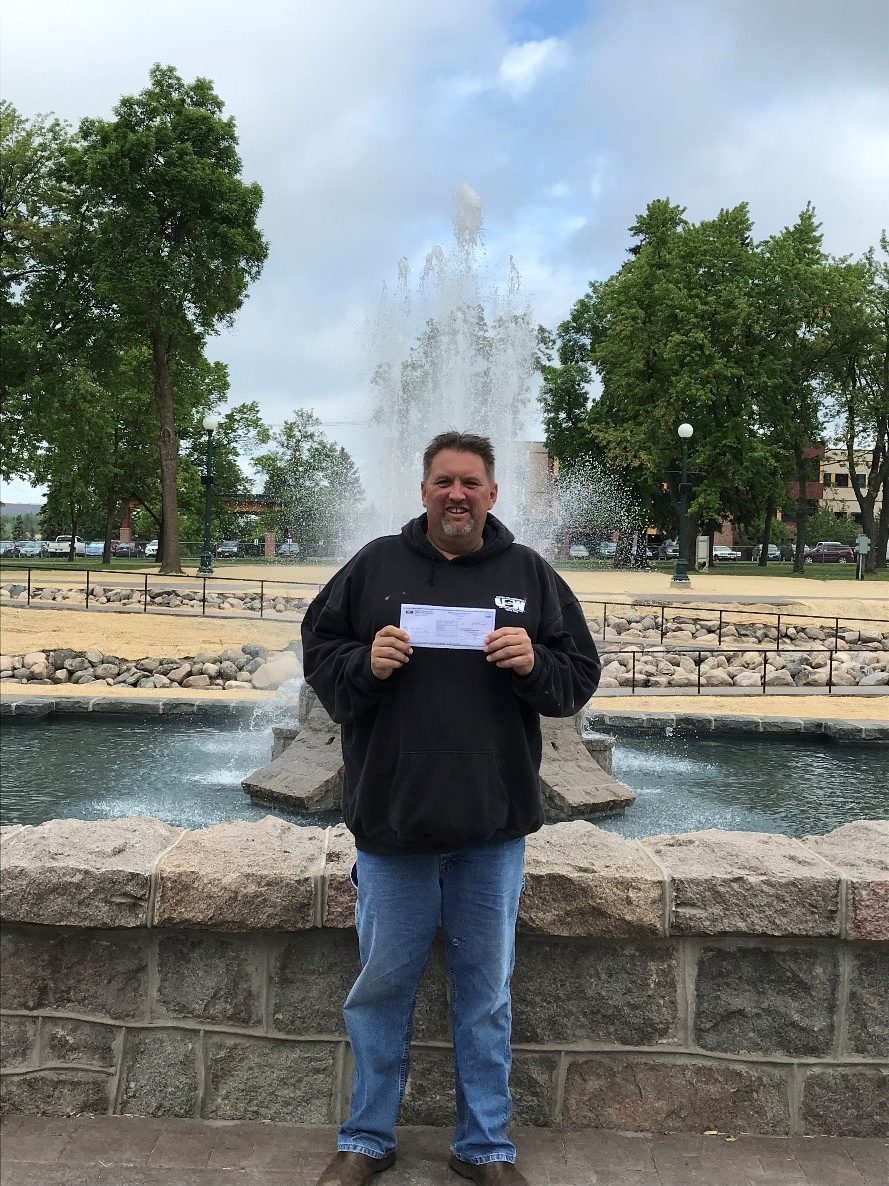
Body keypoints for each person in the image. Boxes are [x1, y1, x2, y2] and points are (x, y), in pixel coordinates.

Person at [302, 431, 601, 1186]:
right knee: (379, 993)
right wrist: (361, 664)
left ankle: (486, 1147)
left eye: (470, 482)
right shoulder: (374, 566)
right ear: (424, 490)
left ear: (492, 494)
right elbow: (319, 651)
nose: (456, 495)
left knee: (484, 999)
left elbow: (577, 675)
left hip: (490, 829)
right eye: (442, 482)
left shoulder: (529, 574)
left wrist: (536, 664)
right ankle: (366, 1138)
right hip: (392, 824)